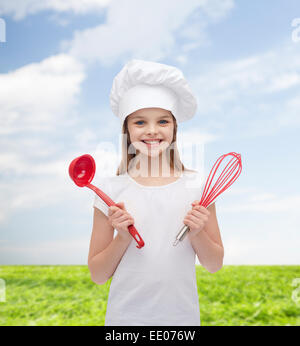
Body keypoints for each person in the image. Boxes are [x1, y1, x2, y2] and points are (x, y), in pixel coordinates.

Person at [88, 59, 224, 326]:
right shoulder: (109, 191)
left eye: (162, 121)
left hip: (181, 322)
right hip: (125, 322)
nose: (152, 130)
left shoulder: (199, 187)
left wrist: (197, 234)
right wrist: (122, 237)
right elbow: (98, 274)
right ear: (126, 129)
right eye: (140, 122)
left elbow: (214, 264)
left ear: (174, 128)